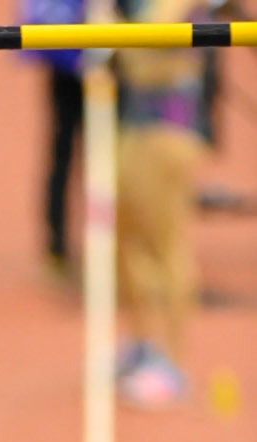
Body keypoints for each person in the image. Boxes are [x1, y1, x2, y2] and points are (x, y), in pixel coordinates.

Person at [115, 0, 211, 406]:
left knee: (168, 244)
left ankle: (174, 362)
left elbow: (144, 42)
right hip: (134, 125)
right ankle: (142, 344)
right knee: (126, 240)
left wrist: (106, 24)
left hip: (169, 129)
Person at [21, 0, 85, 280]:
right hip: (68, 63)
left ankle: (117, 250)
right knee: (62, 153)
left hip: (113, 58)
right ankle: (56, 248)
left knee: (112, 159)